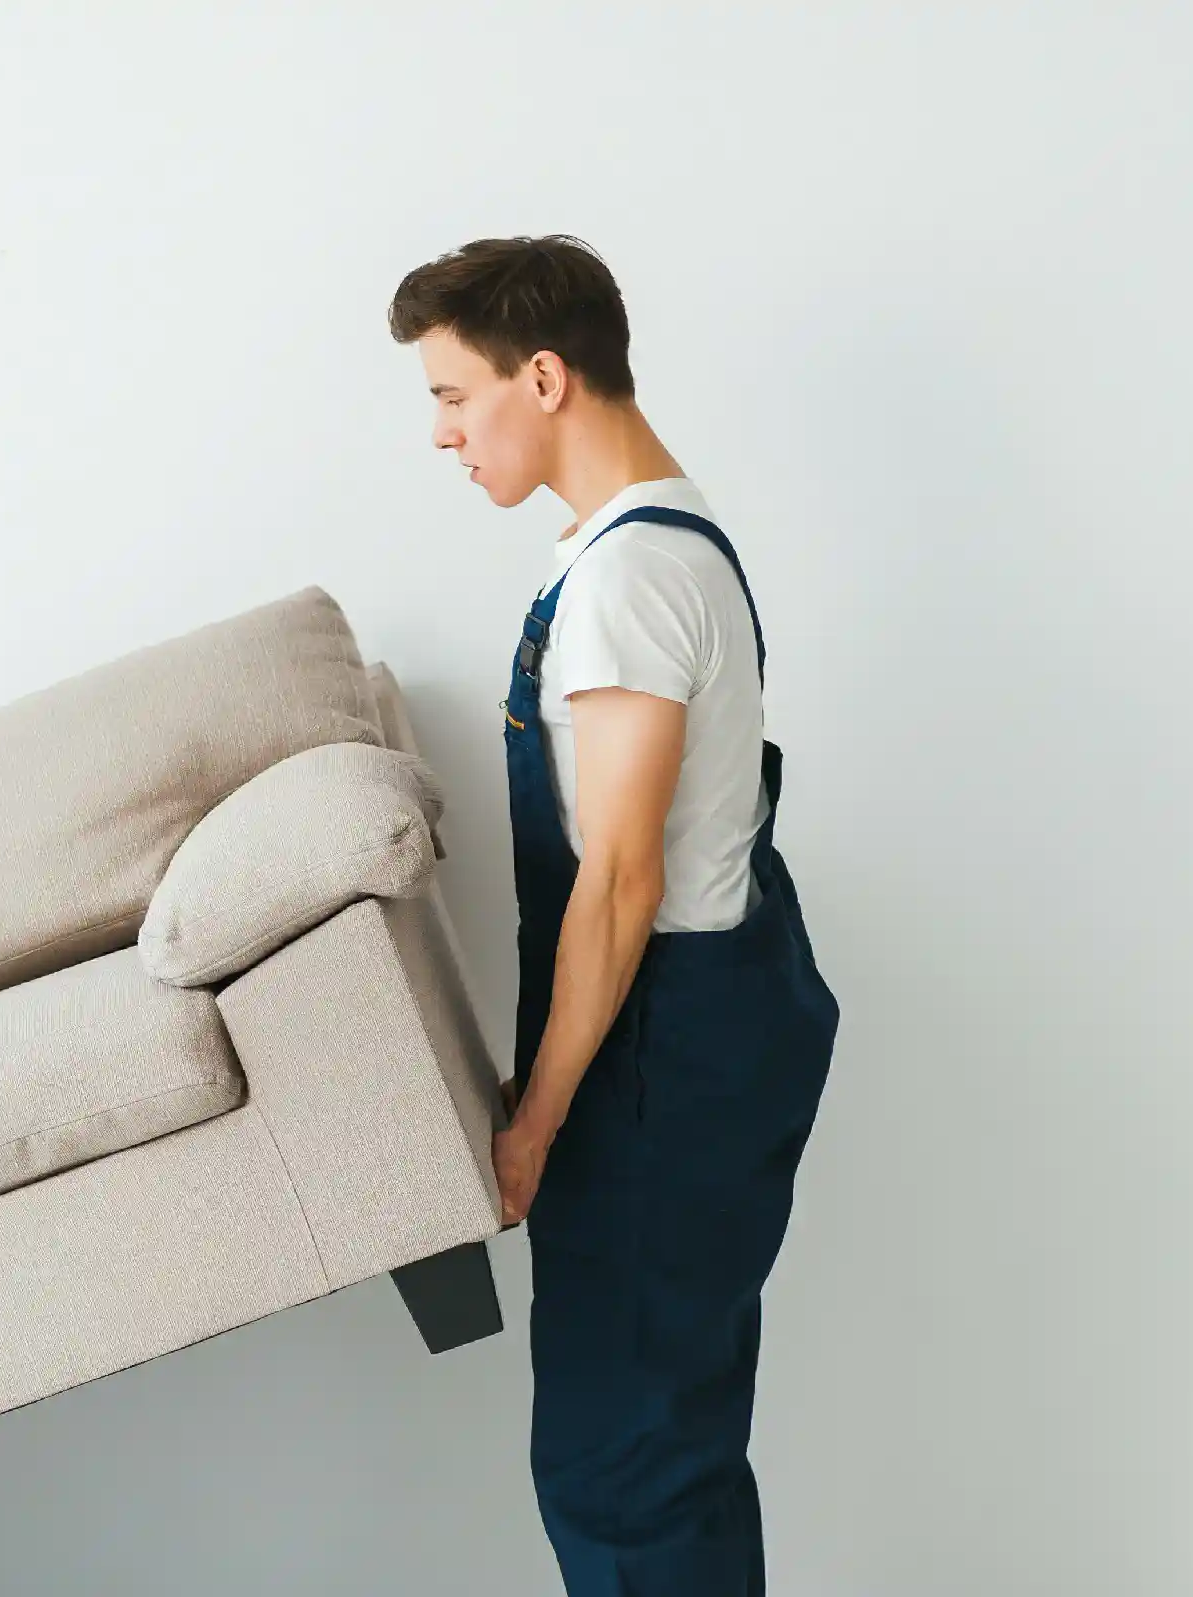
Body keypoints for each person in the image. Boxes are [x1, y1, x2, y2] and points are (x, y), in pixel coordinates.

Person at [385, 234, 841, 1596]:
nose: (442, 434)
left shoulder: (632, 578)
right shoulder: (636, 551)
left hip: (663, 1065)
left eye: (453, 396)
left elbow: (625, 880)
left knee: (628, 1471)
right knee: (656, 1450)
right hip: (683, 1051)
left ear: (542, 378)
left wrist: (536, 1122)